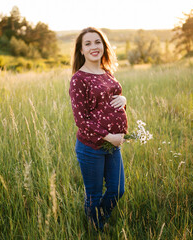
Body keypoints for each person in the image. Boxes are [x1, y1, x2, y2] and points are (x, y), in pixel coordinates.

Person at [69, 27, 128, 231]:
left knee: (117, 189)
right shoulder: (79, 79)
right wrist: (108, 136)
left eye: (97, 42)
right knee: (93, 195)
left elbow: (110, 103)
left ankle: (97, 220)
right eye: (88, 44)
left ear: (104, 46)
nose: (94, 47)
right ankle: (96, 228)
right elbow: (81, 119)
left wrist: (124, 99)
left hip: (112, 143)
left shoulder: (107, 72)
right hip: (91, 146)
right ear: (81, 51)